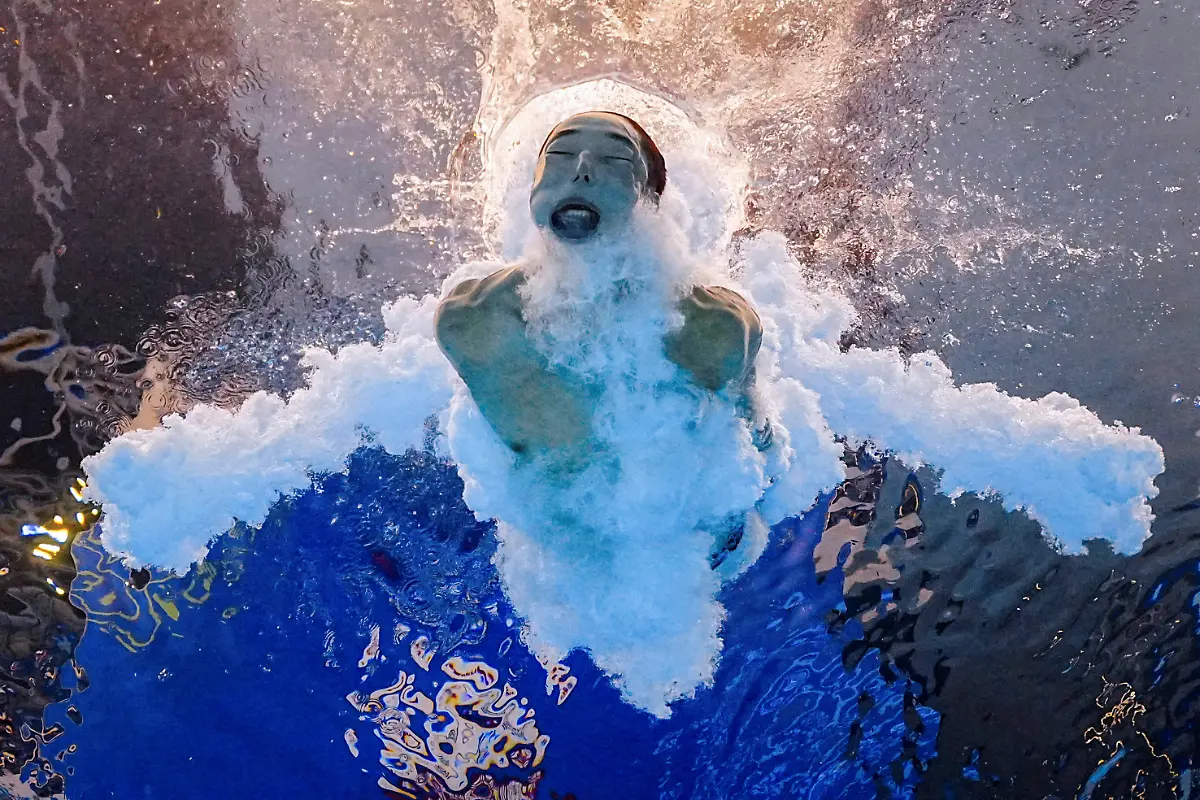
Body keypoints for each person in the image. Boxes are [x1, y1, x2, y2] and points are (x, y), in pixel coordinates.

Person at [434, 111, 763, 469]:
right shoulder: (471, 323)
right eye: (559, 156)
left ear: (650, 201)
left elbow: (757, 444)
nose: (582, 169)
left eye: (616, 159)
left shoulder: (715, 330)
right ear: (533, 190)